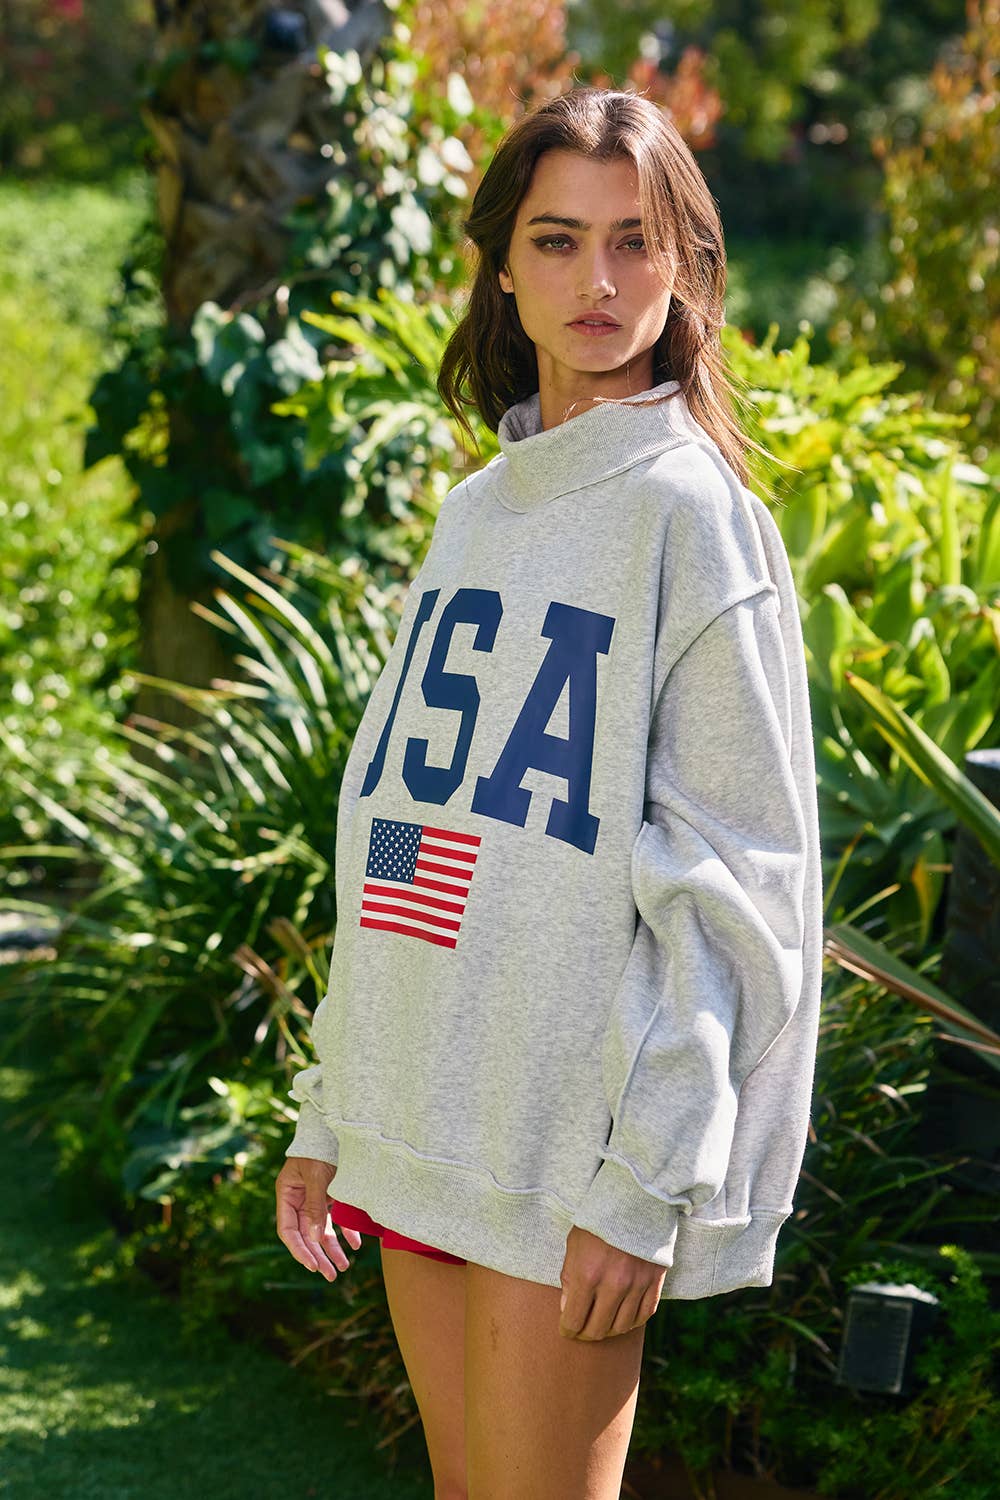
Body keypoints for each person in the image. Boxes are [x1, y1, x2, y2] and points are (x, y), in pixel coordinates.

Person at [275, 84, 823, 1500]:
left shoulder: (694, 518)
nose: (598, 280)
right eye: (559, 239)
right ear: (504, 268)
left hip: (565, 1151)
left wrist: (646, 1181)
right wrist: (334, 1110)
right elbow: (402, 832)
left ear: (685, 269)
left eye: (636, 241)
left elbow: (736, 882)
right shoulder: (478, 514)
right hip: (422, 1114)